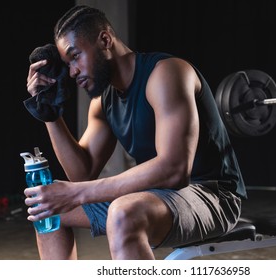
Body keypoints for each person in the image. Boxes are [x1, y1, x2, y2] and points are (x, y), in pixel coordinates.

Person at [25, 5, 247, 260]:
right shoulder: (103, 101)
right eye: (67, 64)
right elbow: (81, 173)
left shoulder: (166, 73)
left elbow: (174, 169)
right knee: (45, 207)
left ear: (105, 40)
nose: (72, 72)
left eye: (75, 56)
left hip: (212, 195)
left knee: (123, 212)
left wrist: (76, 192)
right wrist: (50, 115)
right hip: (158, 195)